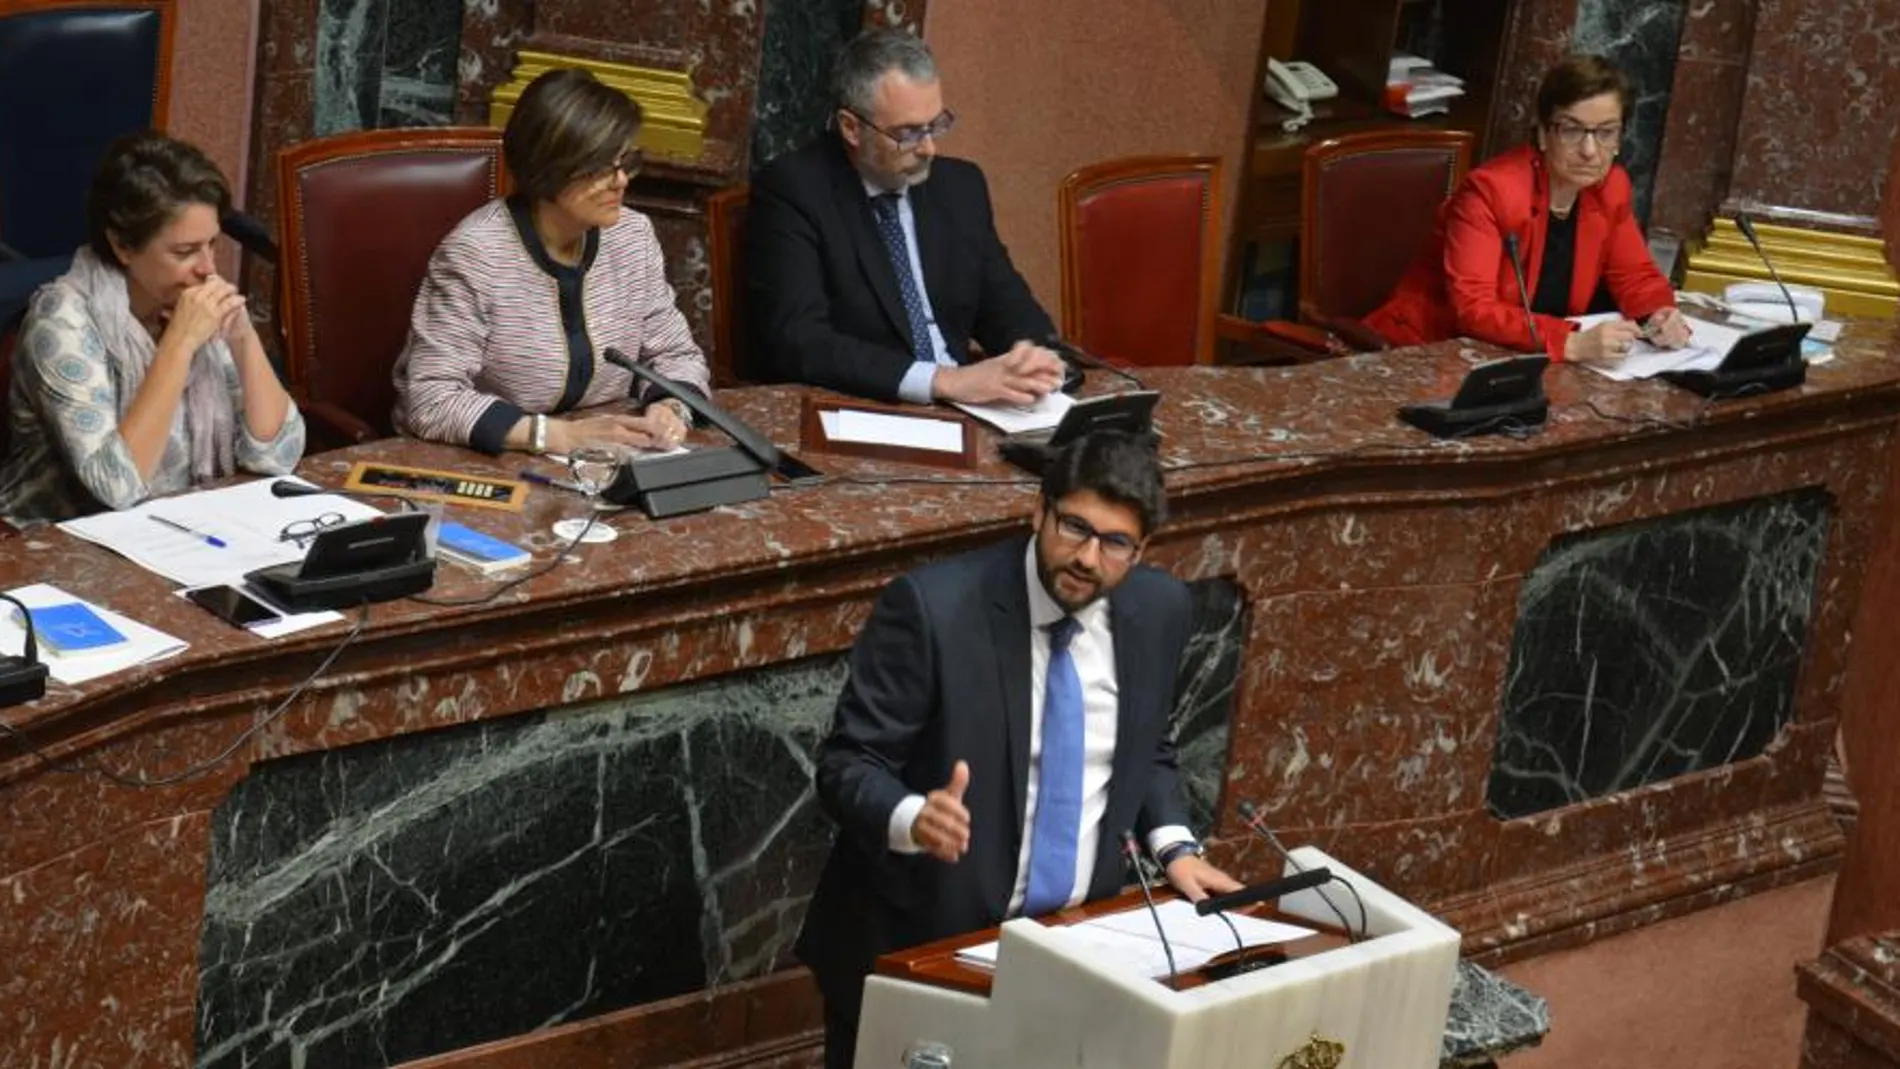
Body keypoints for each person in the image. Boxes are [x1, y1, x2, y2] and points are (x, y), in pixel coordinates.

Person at [798, 431, 1241, 1069]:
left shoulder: (1160, 609)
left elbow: (1149, 745)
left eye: (1115, 543)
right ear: (1039, 511)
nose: (1088, 557)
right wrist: (911, 818)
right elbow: (847, 764)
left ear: (1142, 551)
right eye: (1074, 528)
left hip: (1077, 948)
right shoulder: (935, 610)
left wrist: (1173, 843)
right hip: (927, 945)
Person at [393, 67, 709, 457]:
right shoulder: (477, 253)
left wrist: (669, 407)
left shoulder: (632, 236)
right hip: (487, 464)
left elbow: (676, 354)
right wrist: (561, 437)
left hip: (605, 461)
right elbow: (431, 399)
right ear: (547, 169)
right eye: (599, 168)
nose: (621, 181)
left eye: (626, 162)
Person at [746, 29, 1068, 406]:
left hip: (972, 411)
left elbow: (1007, 304)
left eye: (936, 125)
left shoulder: (960, 187)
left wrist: (1036, 357)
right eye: (908, 133)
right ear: (851, 127)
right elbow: (799, 339)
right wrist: (941, 381)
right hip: (868, 406)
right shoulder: (795, 189)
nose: (929, 148)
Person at [0, 132, 304, 525]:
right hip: (44, 550)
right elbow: (118, 487)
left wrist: (243, 338)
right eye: (184, 251)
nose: (208, 268)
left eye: (212, 244)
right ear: (123, 246)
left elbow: (278, 456)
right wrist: (178, 345)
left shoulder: (187, 302)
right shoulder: (61, 321)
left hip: (171, 531)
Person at [1364, 55, 1693, 364]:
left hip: (1522, 360)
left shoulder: (1610, 187)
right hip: (1426, 352)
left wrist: (1658, 314)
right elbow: (1473, 309)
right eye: (1573, 130)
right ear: (1544, 134)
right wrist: (1570, 343)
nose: (1590, 151)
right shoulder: (1491, 191)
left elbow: (1635, 277)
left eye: (1606, 132)